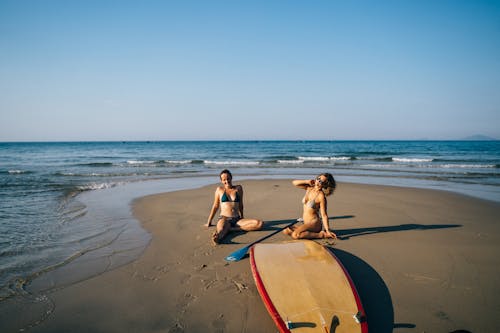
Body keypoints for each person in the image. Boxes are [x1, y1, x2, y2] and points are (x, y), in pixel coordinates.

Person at [205, 169, 263, 245]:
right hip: (224, 218)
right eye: (224, 180)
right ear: (221, 181)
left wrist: (242, 216)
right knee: (221, 231)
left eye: (228, 178)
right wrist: (209, 222)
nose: (227, 181)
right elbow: (215, 206)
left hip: (237, 220)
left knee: (259, 224)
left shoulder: (238, 188)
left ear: (231, 178)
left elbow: (241, 204)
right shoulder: (219, 190)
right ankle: (217, 238)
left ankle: (232, 229)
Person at [284, 173, 337, 239]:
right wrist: (307, 181)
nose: (318, 181)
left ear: (325, 184)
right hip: (306, 223)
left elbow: (324, 215)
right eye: (318, 178)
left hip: (314, 224)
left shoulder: (321, 196)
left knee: (295, 235)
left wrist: (328, 230)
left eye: (321, 181)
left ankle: (322, 235)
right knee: (286, 230)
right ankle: (304, 233)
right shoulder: (309, 188)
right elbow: (294, 183)